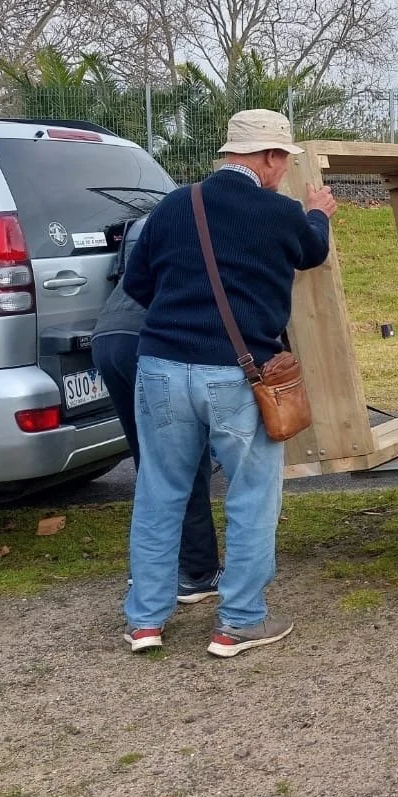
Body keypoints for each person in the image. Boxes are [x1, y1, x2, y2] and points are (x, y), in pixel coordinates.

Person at [120, 109, 336, 655]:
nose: (284, 169)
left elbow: (138, 282)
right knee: (251, 496)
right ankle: (238, 621)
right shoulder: (280, 212)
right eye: (283, 159)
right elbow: (312, 252)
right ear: (266, 157)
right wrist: (318, 213)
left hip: (161, 368)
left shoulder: (173, 205)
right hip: (241, 376)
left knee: (159, 493)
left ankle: (145, 621)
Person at [91, 213, 221, 603]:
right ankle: (196, 572)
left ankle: (150, 575)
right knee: (183, 460)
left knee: (152, 465)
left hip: (109, 336)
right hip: (153, 345)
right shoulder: (219, 231)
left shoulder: (164, 226)